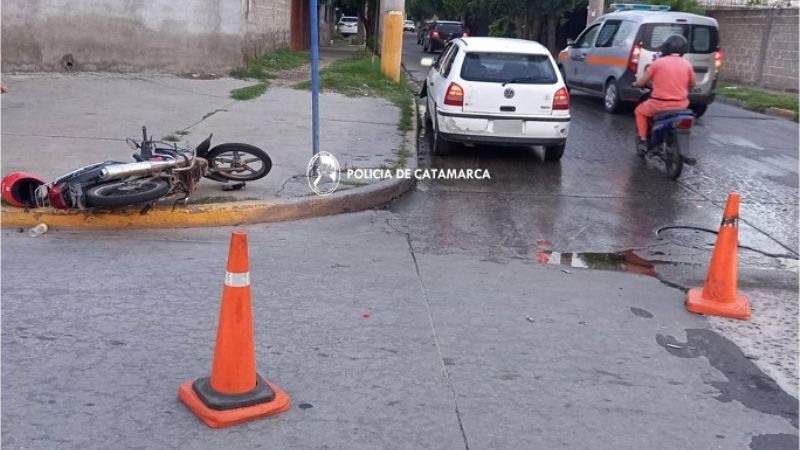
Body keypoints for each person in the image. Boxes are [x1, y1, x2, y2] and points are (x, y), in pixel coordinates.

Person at [633, 34, 695, 153]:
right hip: (681, 105)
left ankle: (643, 139)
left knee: (639, 111)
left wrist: (636, 84)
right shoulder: (687, 64)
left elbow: (642, 82)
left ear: (666, 48)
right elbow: (692, 85)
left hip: (659, 104)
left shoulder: (658, 63)